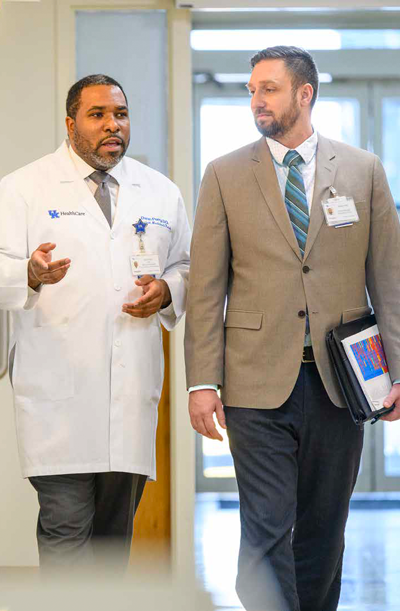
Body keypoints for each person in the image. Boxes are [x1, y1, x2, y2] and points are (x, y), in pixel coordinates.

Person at [184, 46, 400, 611]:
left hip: (341, 383)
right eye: (252, 89)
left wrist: (398, 371)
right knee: (265, 527)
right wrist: (201, 381)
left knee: (325, 529)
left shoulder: (363, 170)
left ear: (305, 94)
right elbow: (206, 287)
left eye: (269, 89)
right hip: (255, 383)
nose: (256, 100)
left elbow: (389, 281)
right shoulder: (225, 174)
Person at [0, 74, 190, 571]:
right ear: (70, 124)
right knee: (66, 539)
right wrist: (29, 273)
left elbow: (187, 266)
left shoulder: (160, 191)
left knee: (112, 549)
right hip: (57, 401)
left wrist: (168, 290)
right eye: (98, 114)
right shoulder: (23, 188)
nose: (113, 126)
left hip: (129, 399)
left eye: (121, 115)